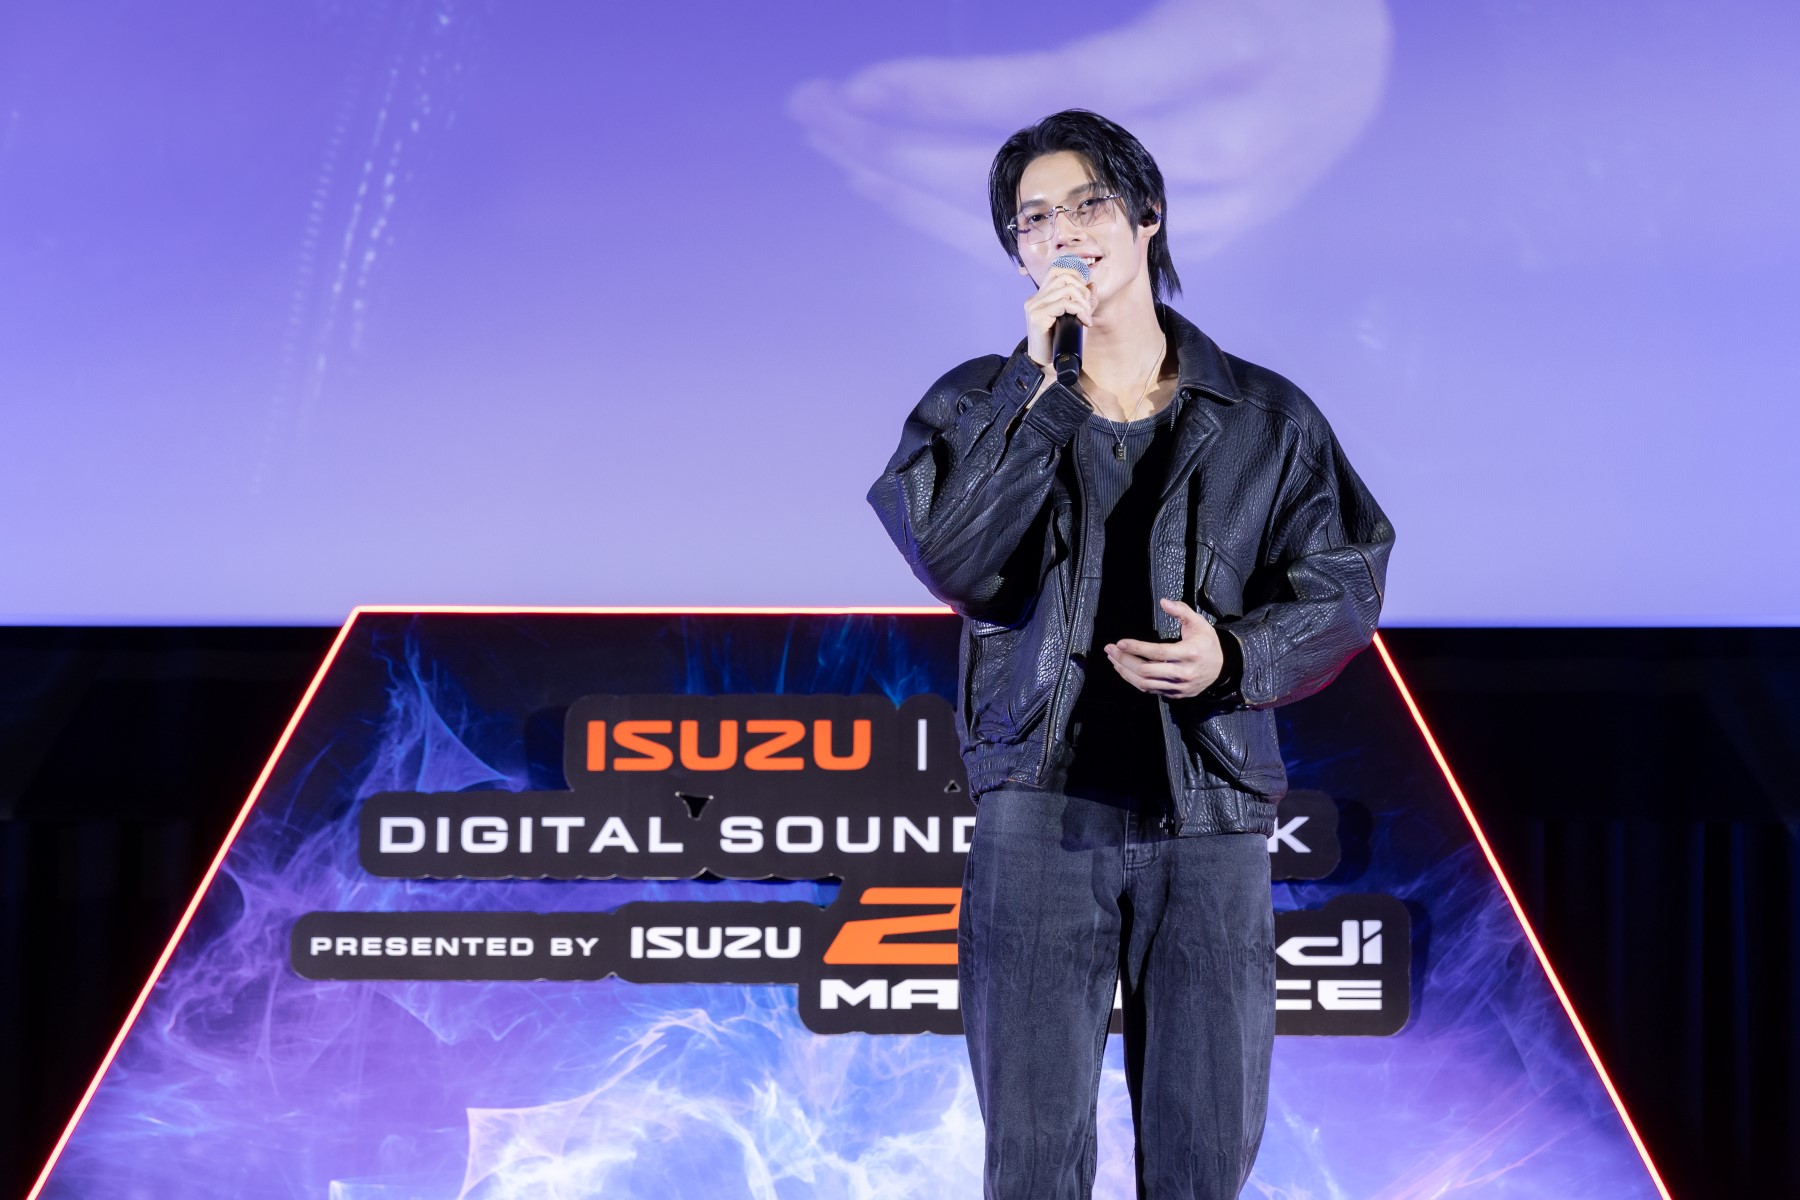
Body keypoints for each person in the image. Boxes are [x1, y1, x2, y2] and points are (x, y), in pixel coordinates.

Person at [866, 110, 1396, 1198]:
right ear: (1018, 252)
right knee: (1032, 1157)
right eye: (1035, 219)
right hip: (1037, 814)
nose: (1064, 231)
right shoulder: (976, 402)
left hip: (1206, 816)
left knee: (1204, 1152)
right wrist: (1033, 393)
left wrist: (1234, 659)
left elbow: (1348, 583)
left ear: (1148, 216)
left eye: (1089, 204)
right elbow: (955, 560)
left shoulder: (1265, 416)